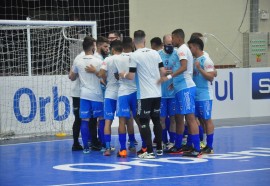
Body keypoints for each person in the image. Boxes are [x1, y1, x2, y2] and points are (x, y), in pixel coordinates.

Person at [120, 30, 166, 159]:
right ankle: (160, 149)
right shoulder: (155, 53)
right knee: (157, 120)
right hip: (157, 93)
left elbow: (131, 76)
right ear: (145, 40)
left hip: (144, 95)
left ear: (134, 41)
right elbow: (163, 72)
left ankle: (150, 152)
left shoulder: (134, 56)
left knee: (144, 121)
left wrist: (122, 74)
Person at [158, 29, 201, 157]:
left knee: (190, 118)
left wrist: (170, 77)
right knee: (179, 118)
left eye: (173, 38)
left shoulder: (182, 49)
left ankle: (197, 148)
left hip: (186, 88)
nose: (172, 41)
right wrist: (174, 82)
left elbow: (184, 67)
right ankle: (178, 145)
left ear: (178, 38)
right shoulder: (182, 49)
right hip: (180, 87)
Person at [86, 40, 122, 156]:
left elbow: (101, 75)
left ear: (112, 49)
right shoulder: (126, 59)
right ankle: (127, 146)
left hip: (110, 93)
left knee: (107, 122)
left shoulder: (107, 60)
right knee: (125, 121)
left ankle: (107, 148)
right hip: (122, 93)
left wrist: (96, 72)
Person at [69, 36, 104, 154]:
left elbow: (72, 77)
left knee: (83, 120)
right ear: (93, 47)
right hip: (97, 95)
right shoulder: (98, 61)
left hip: (83, 95)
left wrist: (77, 72)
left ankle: (85, 147)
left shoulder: (78, 61)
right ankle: (102, 145)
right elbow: (104, 77)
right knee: (100, 120)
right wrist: (95, 72)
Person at [188, 38, 215, 154]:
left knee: (207, 119)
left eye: (191, 47)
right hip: (196, 95)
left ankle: (210, 146)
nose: (190, 49)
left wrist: (199, 68)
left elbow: (211, 76)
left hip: (205, 95)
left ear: (196, 47)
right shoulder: (194, 59)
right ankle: (201, 142)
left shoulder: (206, 60)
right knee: (197, 119)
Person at [114, 37, 138, 157]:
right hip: (135, 92)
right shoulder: (136, 56)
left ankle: (123, 149)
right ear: (132, 45)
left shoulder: (116, 58)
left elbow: (115, 75)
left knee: (122, 121)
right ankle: (137, 145)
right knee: (138, 119)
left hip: (123, 92)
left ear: (122, 47)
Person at [158, 34, 178, 151]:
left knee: (173, 118)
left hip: (173, 93)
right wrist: (162, 73)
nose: (170, 47)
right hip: (161, 93)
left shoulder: (177, 54)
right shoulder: (158, 55)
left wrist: (173, 80)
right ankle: (163, 141)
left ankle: (172, 141)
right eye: (168, 44)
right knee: (162, 119)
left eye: (172, 44)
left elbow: (181, 70)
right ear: (163, 44)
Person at [70, 51, 84, 151]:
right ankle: (76, 143)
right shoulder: (79, 58)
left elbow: (70, 76)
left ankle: (90, 142)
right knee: (80, 119)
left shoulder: (78, 58)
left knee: (81, 119)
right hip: (79, 93)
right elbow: (71, 76)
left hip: (83, 93)